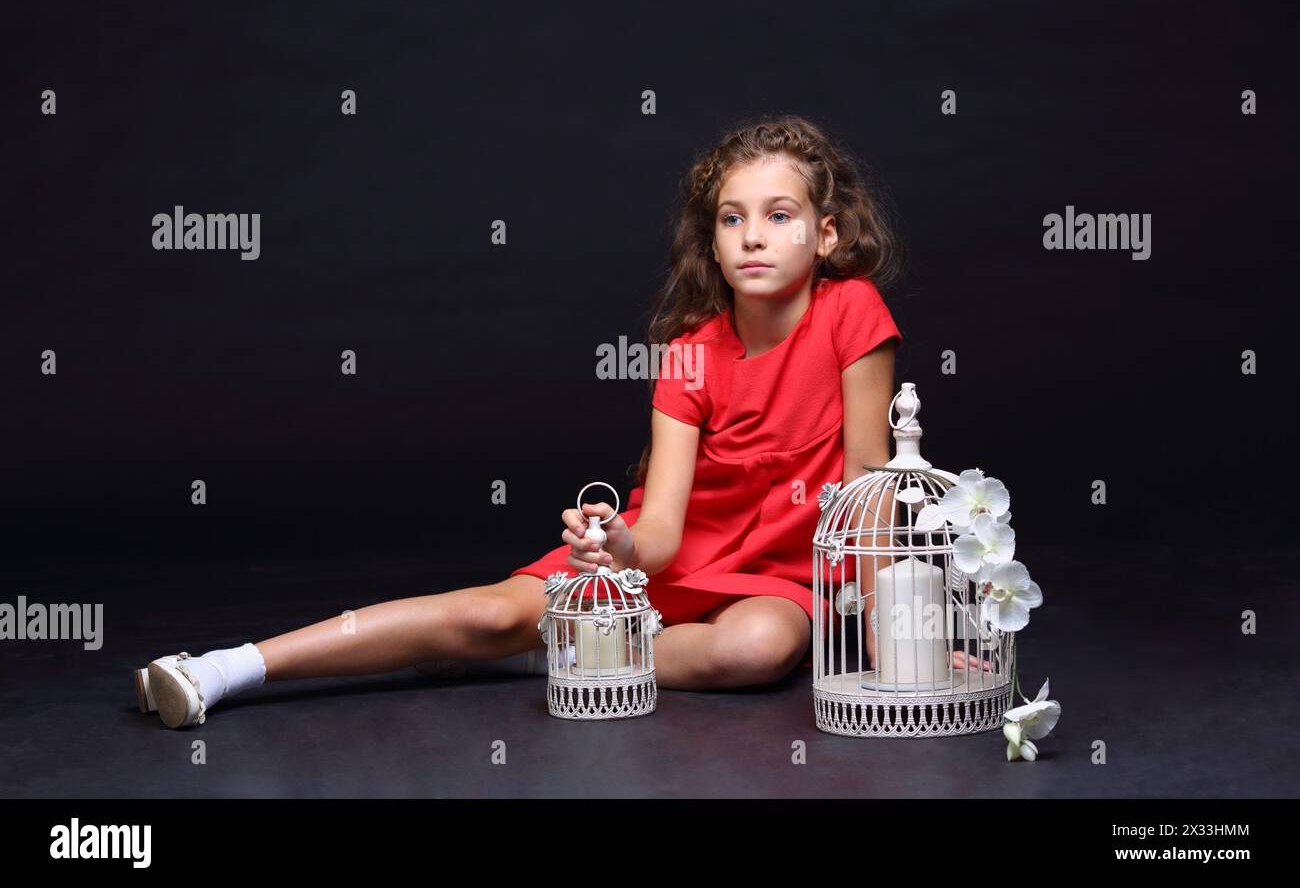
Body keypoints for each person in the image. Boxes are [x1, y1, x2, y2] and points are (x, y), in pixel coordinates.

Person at [133, 114, 987, 731]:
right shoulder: (690, 352)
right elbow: (659, 532)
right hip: (683, 561)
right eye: (732, 219)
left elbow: (869, 493)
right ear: (712, 239)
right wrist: (614, 547)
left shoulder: (852, 312)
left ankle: (563, 649)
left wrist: (898, 645)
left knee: (755, 649)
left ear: (826, 234)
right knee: (484, 613)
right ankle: (222, 669)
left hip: (786, 578)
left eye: (779, 215)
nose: (752, 238)